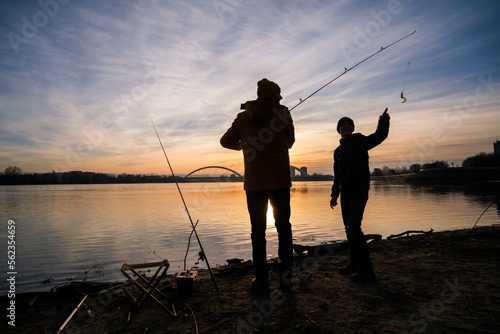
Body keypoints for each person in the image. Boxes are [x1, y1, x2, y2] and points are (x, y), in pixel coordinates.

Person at [220, 78, 295, 293]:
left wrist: (241, 145)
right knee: (284, 229)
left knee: (258, 232)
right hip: (280, 181)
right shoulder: (284, 114)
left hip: (254, 184)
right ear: (272, 95)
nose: (281, 97)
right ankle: (285, 281)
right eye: (279, 94)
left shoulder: (243, 118)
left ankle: (262, 281)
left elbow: (225, 141)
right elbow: (290, 142)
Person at [330, 108, 390, 282]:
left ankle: (367, 269)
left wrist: (383, 123)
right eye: (343, 124)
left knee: (354, 226)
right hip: (345, 192)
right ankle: (354, 263)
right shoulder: (337, 151)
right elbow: (337, 174)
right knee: (348, 228)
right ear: (339, 130)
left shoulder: (361, 141)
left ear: (352, 127)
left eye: (349, 124)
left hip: (359, 189)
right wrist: (334, 195)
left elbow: (379, 136)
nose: (346, 126)